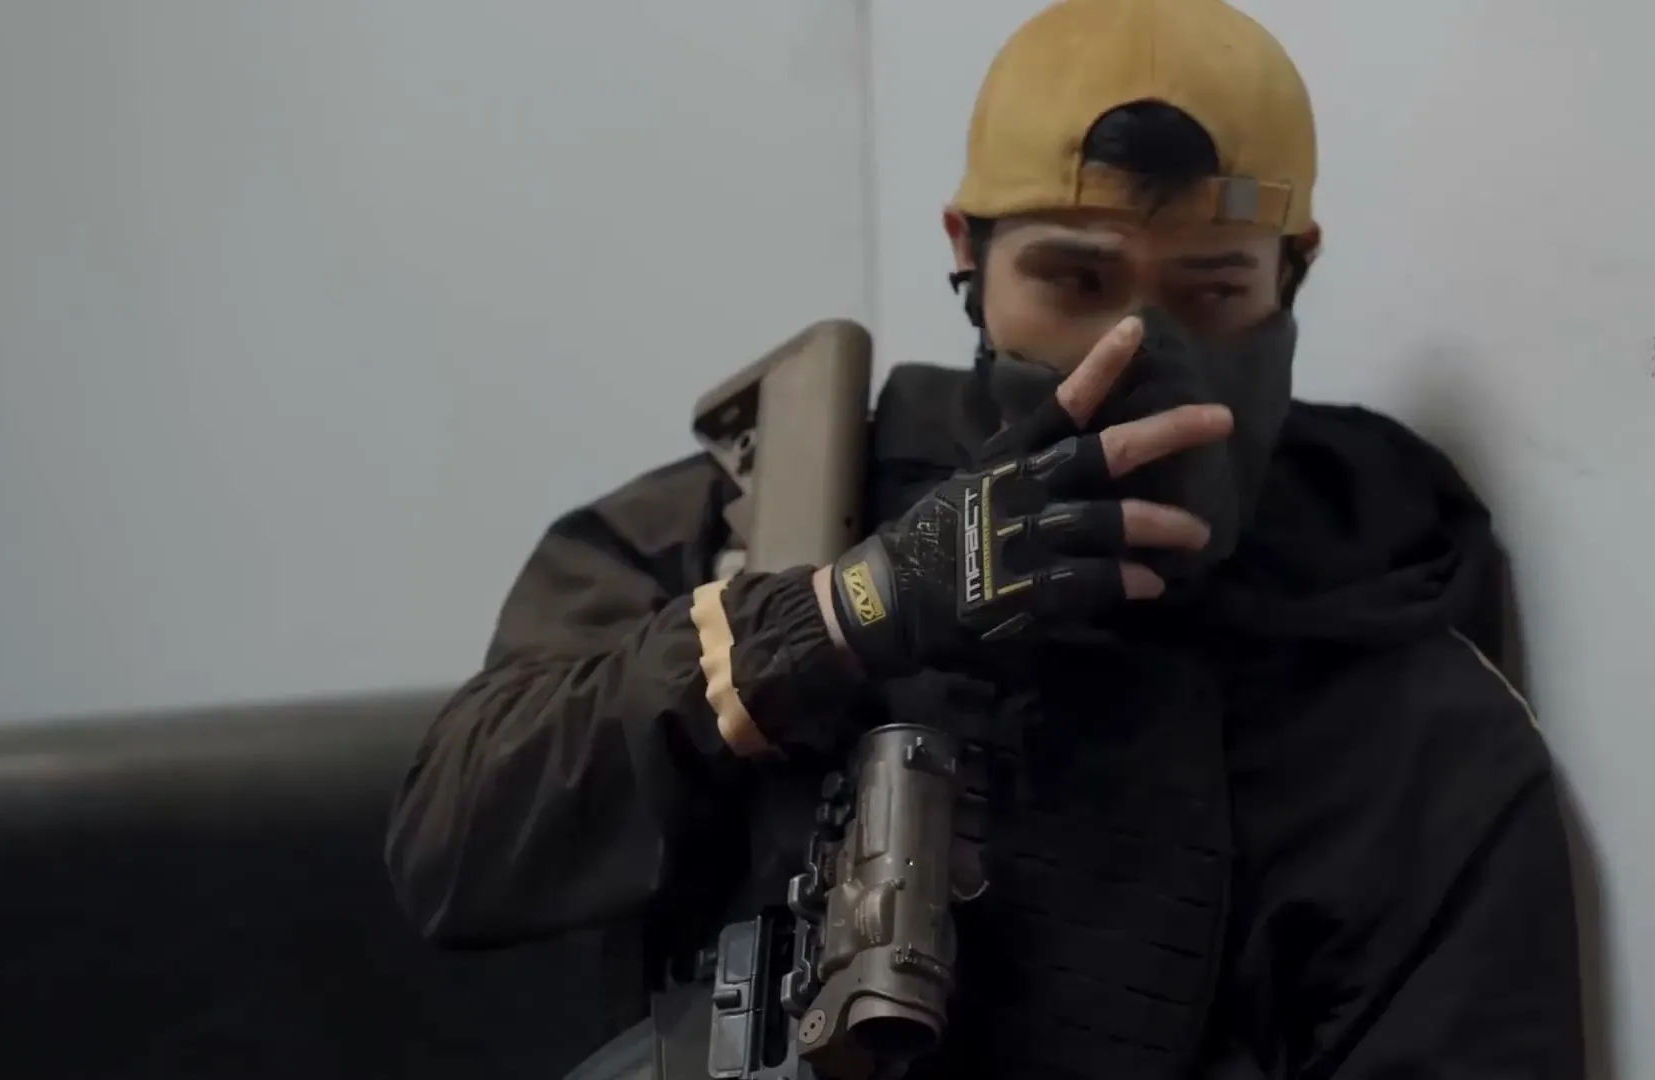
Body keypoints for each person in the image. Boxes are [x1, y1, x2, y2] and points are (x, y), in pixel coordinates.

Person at [385, 0, 1586, 1076]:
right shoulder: (763, 521)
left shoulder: (1401, 701)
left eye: (1212, 291)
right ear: (967, 253)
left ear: (1294, 273)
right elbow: (456, 844)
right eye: (1074, 281)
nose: (1136, 350)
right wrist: (845, 612)